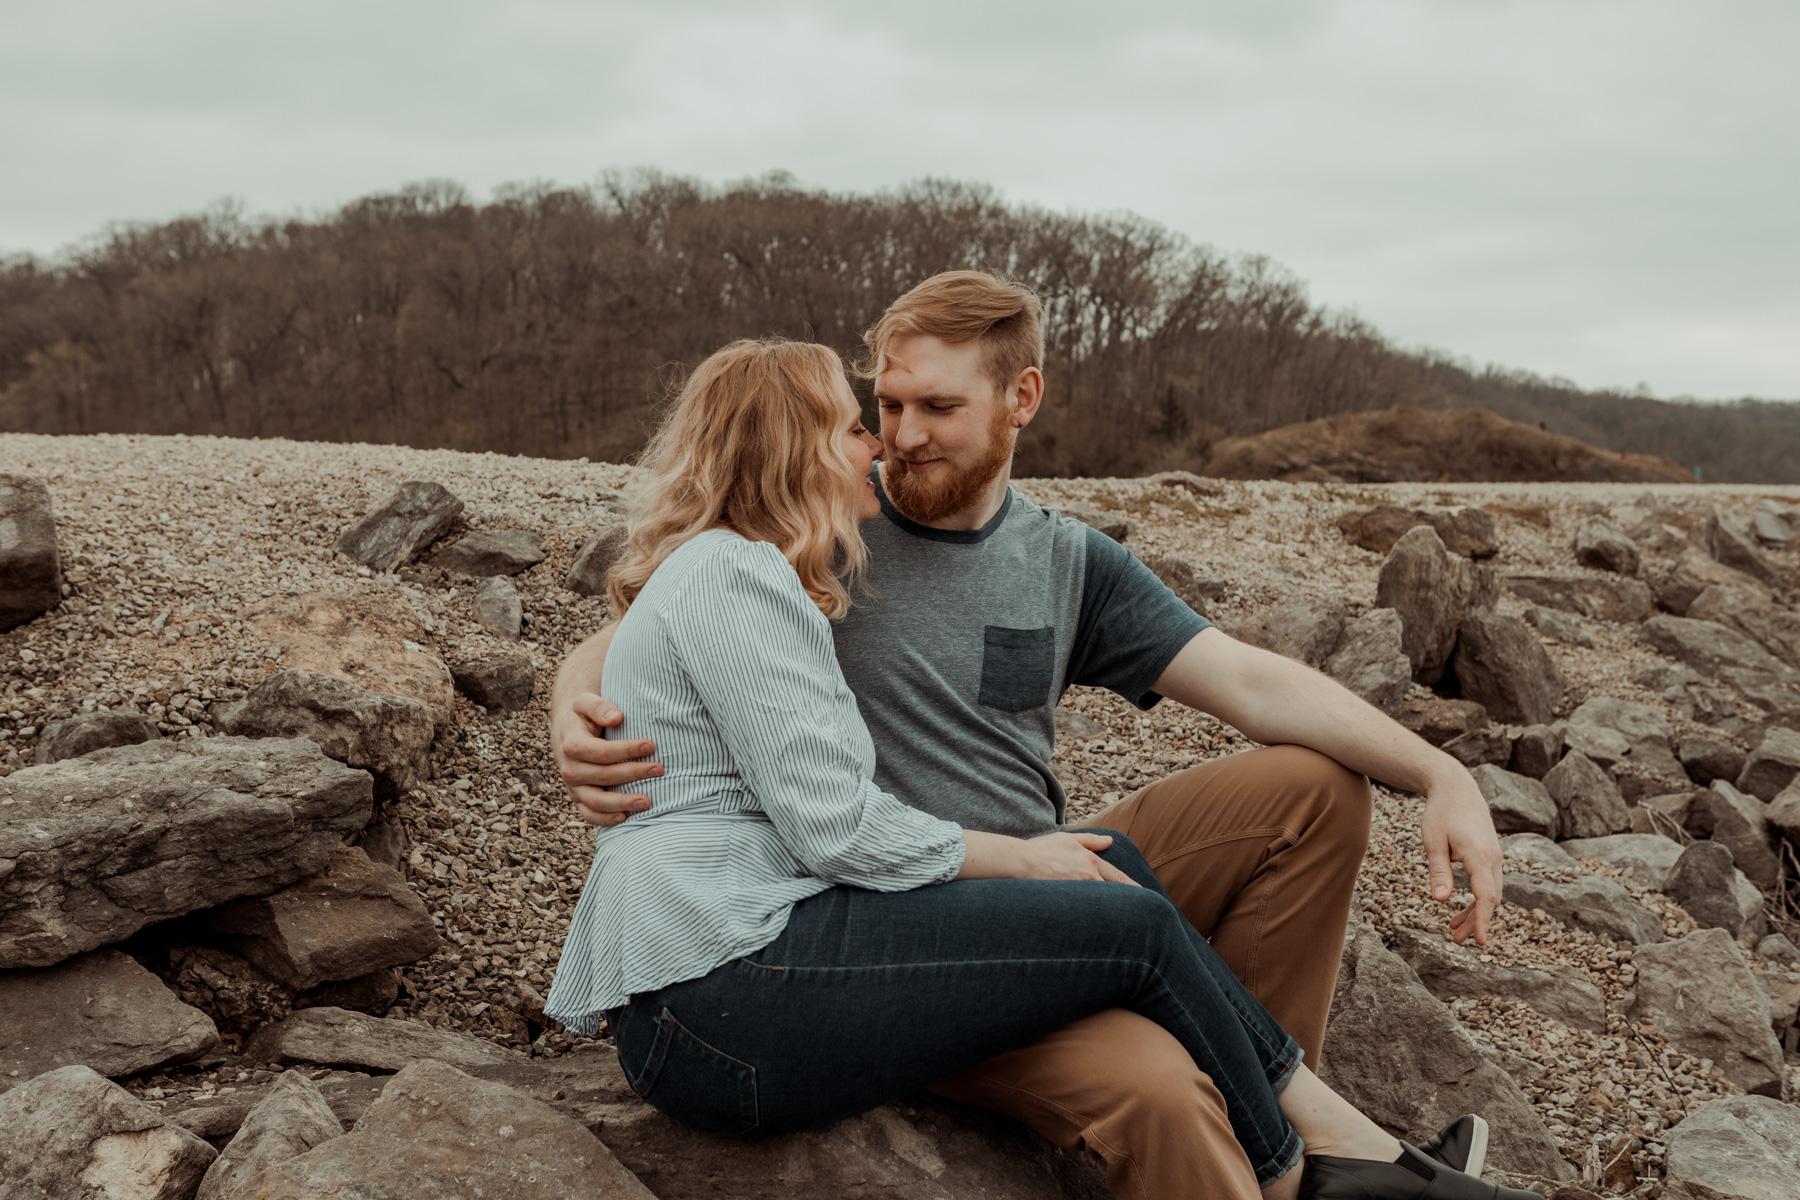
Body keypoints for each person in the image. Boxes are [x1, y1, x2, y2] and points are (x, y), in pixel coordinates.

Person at [553, 274, 1514, 1199]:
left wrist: (1440, 775)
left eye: (936, 407)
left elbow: (1250, 680)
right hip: (882, 923)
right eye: (882, 408)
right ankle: (1301, 1155)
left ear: (1022, 397)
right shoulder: (818, 532)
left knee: (1315, 790)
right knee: (1164, 1088)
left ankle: (1273, 1090)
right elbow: (651, 626)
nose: (897, 438)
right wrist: (573, 701)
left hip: (1035, 874)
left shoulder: (1065, 560)